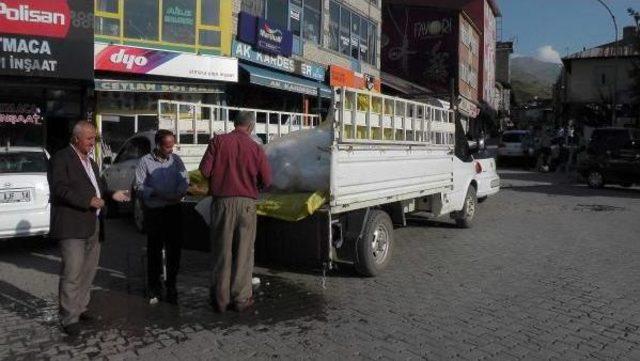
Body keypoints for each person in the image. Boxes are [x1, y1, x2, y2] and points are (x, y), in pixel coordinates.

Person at [50, 121, 129, 336]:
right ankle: (68, 318)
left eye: (94, 138)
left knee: (87, 271)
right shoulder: (61, 158)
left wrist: (112, 194)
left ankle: (80, 307)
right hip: (72, 225)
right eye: (89, 139)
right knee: (72, 272)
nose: (93, 142)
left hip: (93, 224)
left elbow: (100, 187)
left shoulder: (91, 162)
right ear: (76, 138)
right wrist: (89, 200)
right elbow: (59, 189)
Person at [199, 111, 271, 313]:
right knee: (244, 252)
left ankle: (220, 300)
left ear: (235, 123)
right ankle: (240, 298)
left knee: (222, 251)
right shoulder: (256, 148)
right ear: (251, 127)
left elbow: (204, 171)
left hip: (221, 203)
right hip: (247, 204)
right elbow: (267, 180)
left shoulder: (217, 142)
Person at [135, 129, 189, 305]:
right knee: (154, 249)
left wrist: (180, 192)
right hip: (155, 211)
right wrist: (156, 193)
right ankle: (154, 285)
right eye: (167, 146)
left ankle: (171, 283)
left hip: (174, 209)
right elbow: (139, 186)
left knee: (174, 249)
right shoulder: (145, 161)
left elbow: (184, 180)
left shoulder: (176, 160)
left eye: (172, 145)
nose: (171, 149)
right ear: (158, 145)